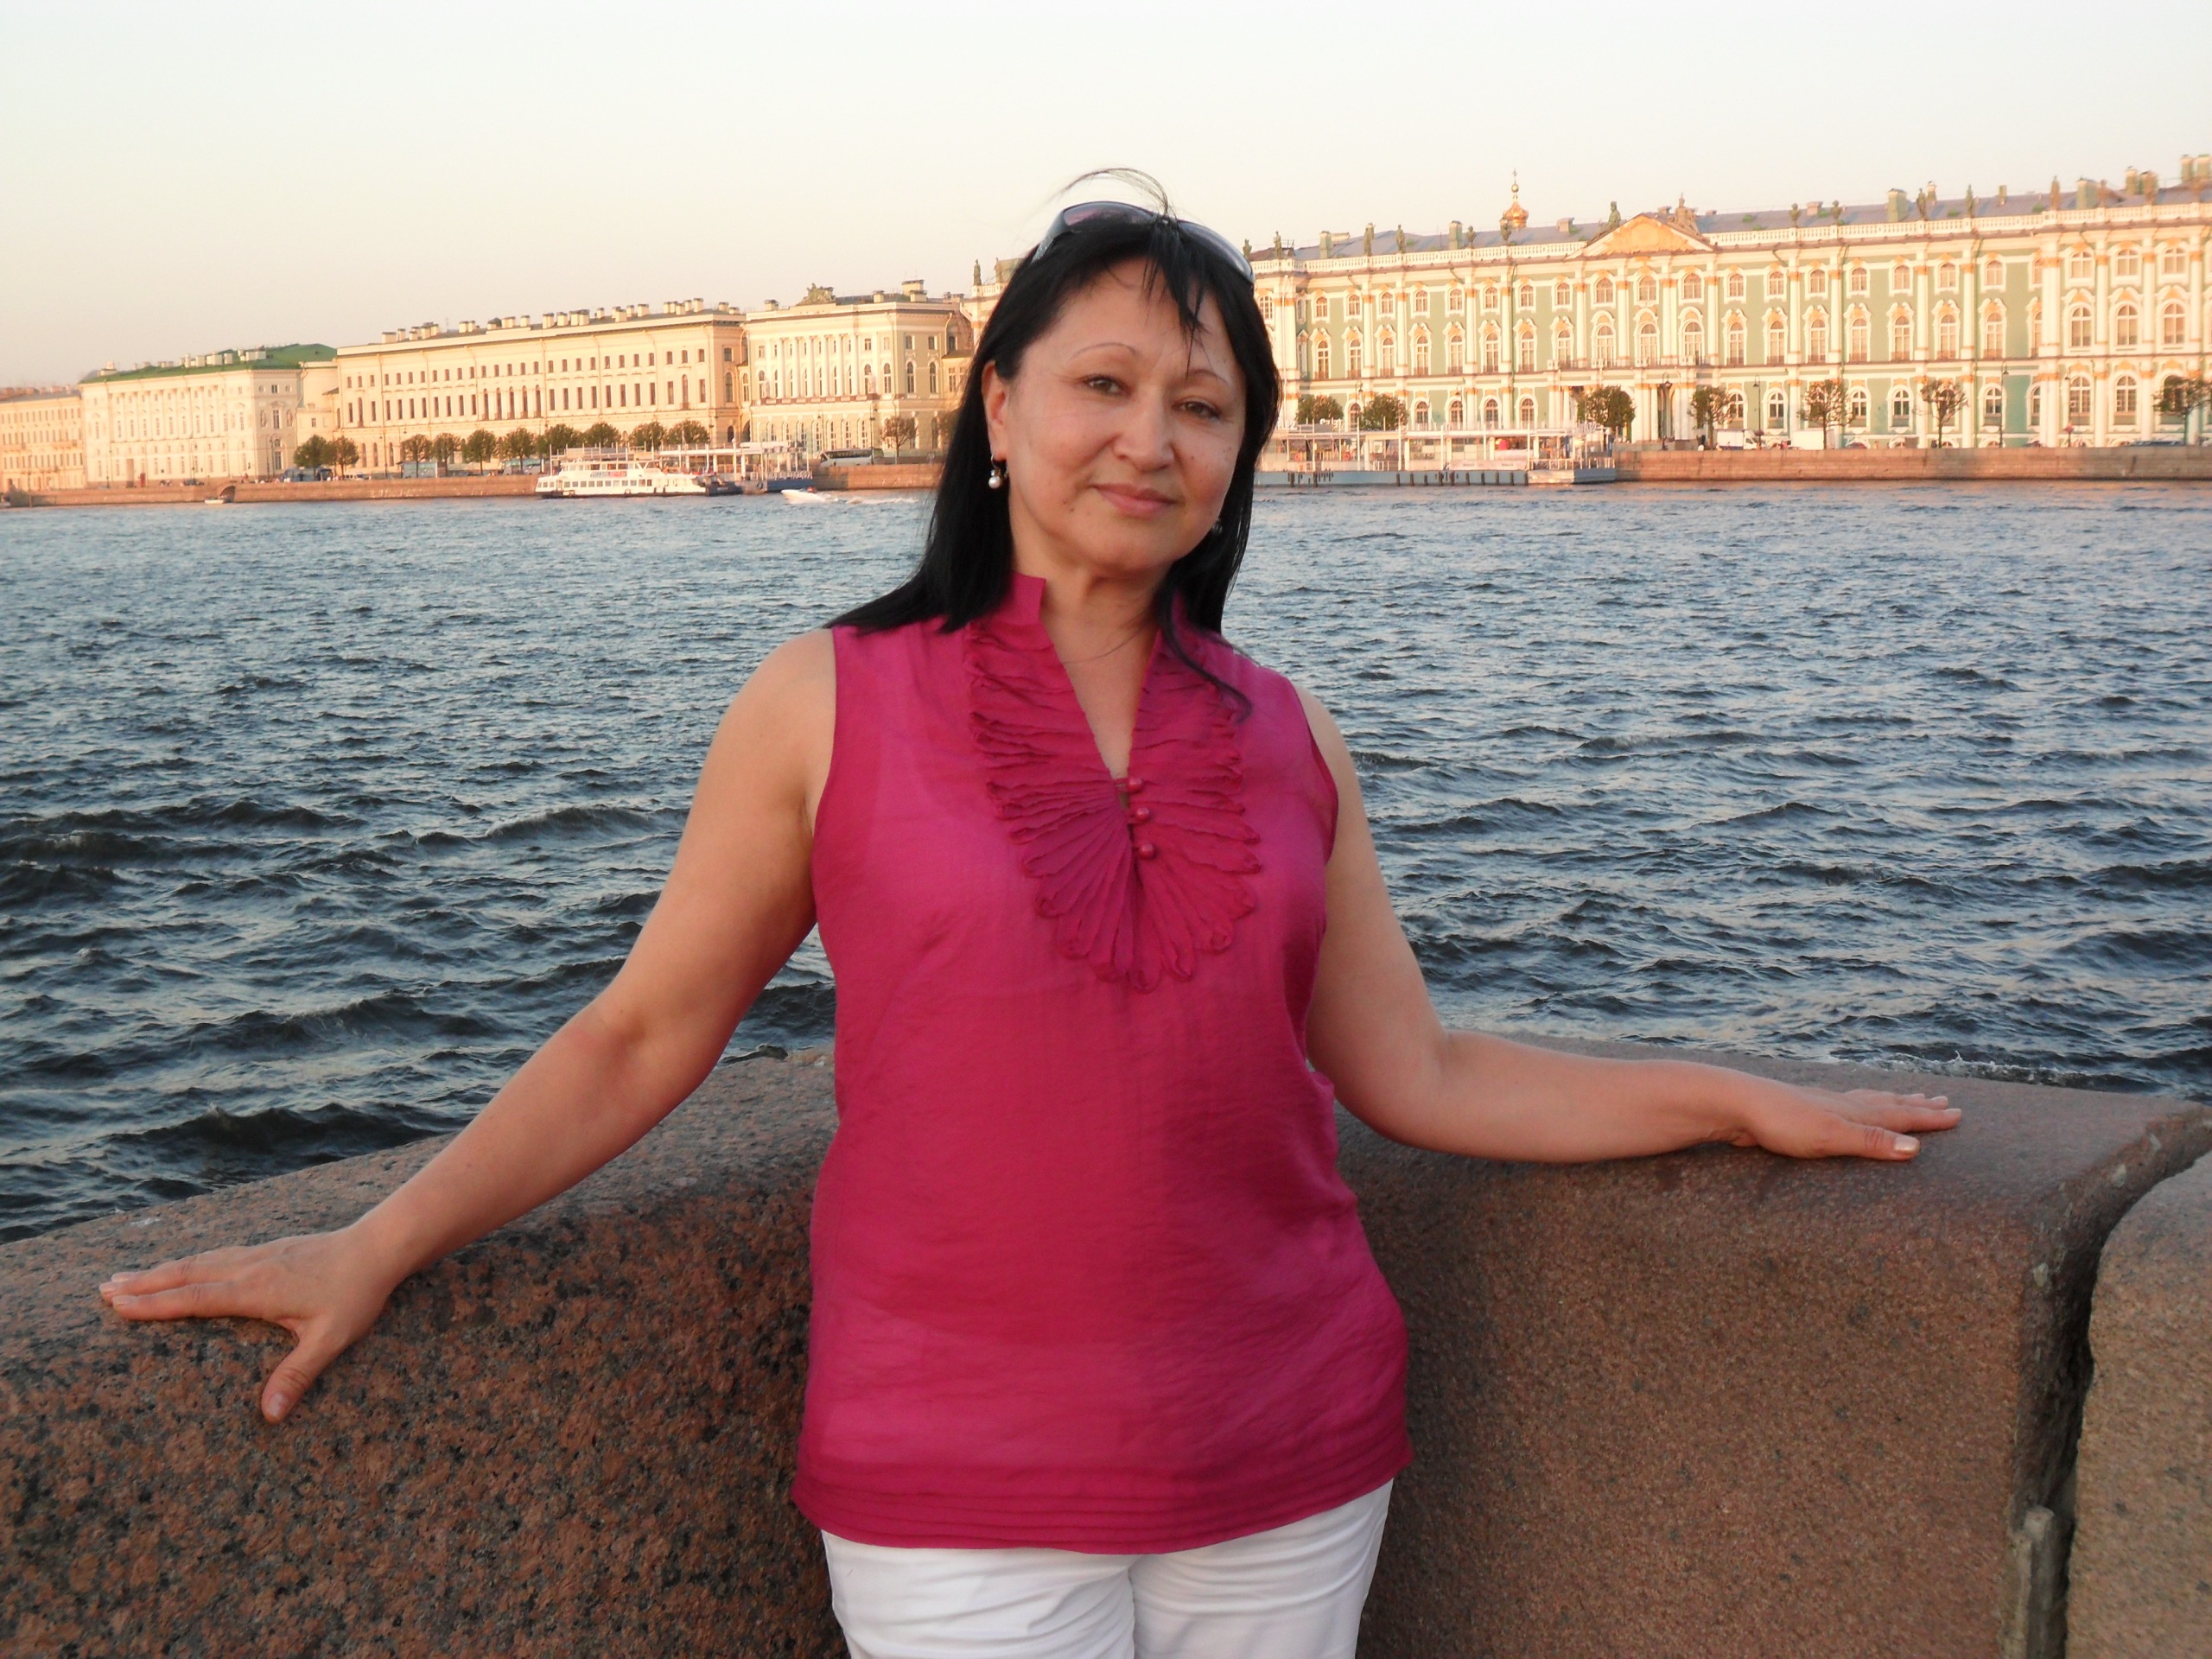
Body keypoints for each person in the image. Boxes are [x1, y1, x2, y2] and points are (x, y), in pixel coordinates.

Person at [99, 188, 1961, 1659]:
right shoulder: (824, 701)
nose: (1150, 438)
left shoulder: (1290, 730)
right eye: (1105, 385)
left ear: (1240, 457)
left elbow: (1418, 1070)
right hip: (950, 1486)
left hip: (1292, 1455)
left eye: (1204, 407)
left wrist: (1728, 1097)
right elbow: (643, 1033)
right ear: (997, 408)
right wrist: (378, 1239)